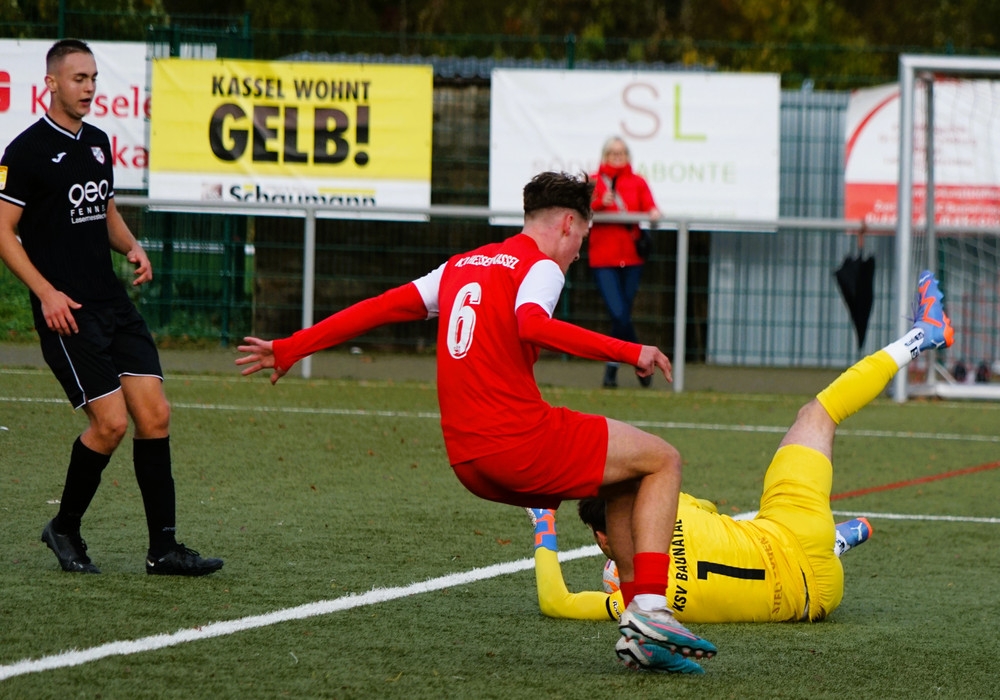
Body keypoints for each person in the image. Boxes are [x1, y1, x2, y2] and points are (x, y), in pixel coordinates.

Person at [236, 171, 717, 674]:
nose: (579, 253)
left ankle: (643, 634)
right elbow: (532, 324)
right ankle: (652, 610)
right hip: (518, 443)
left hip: (467, 459)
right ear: (568, 225)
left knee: (625, 476)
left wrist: (292, 346)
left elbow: (380, 308)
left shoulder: (460, 266)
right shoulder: (540, 265)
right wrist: (629, 350)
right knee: (664, 460)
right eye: (583, 238)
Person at [525, 271, 953, 650]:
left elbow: (556, 601)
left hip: (818, 597)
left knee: (766, 551)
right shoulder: (670, 507)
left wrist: (544, 523)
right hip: (792, 529)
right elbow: (711, 511)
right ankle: (922, 335)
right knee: (819, 413)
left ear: (605, 540)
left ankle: (836, 542)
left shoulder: (634, 603)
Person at [0, 39, 223, 577]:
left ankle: (163, 550)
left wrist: (132, 246)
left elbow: (104, 211)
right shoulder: (24, 152)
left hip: (112, 305)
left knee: (156, 415)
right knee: (111, 424)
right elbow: (3, 232)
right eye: (78, 78)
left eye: (94, 78)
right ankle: (64, 528)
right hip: (68, 312)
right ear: (51, 83)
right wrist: (46, 292)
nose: (89, 88)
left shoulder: (98, 143)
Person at [588, 136, 661, 389]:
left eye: (621, 153)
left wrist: (653, 213)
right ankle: (640, 360)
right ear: (605, 155)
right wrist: (600, 203)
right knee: (619, 314)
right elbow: (582, 210)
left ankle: (612, 371)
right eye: (612, 153)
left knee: (622, 317)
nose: (617, 157)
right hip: (603, 258)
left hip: (631, 258)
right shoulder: (593, 181)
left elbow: (650, 207)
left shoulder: (638, 181)